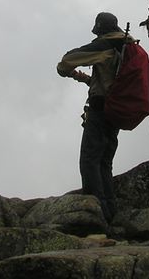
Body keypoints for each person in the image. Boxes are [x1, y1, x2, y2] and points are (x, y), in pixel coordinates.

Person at [56, 12, 133, 224]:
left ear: (99, 28)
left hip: (100, 110)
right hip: (116, 109)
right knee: (104, 162)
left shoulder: (104, 46)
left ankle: (94, 214)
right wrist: (84, 79)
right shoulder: (125, 46)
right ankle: (109, 211)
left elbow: (67, 61)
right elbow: (110, 80)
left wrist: (65, 70)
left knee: (90, 160)